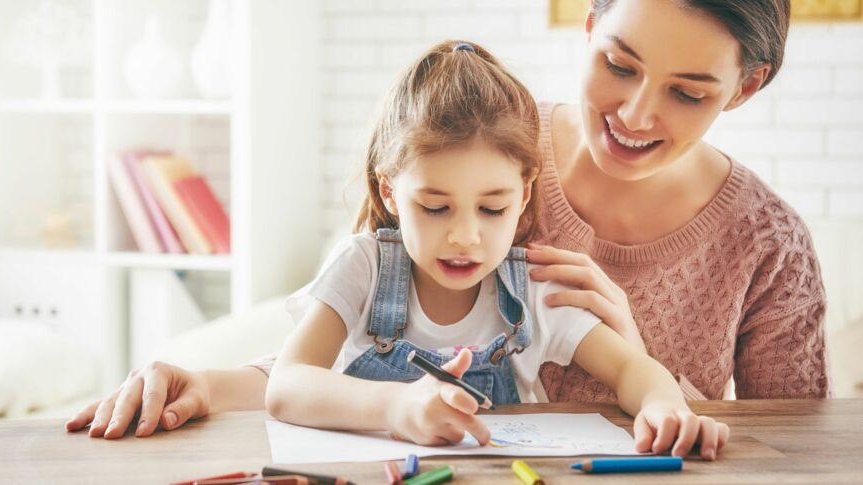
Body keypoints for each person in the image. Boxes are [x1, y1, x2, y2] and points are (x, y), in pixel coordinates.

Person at [66, 0, 826, 442]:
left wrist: (660, 382)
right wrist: (206, 380)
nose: (634, 113)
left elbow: (799, 452)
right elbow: (342, 355)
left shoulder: (768, 246)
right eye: (619, 64)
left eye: (687, 92)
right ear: (589, 22)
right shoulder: (480, 139)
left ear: (745, 87)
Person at [264, 40, 728, 458]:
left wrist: (664, 405)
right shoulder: (362, 266)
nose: (465, 236)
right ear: (389, 192)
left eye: (491, 210)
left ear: (523, 195)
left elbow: (631, 369)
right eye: (434, 207)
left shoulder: (531, 290)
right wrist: (397, 406)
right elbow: (286, 385)